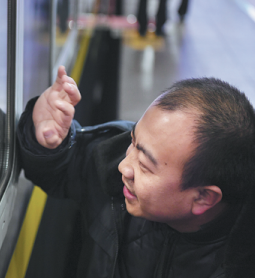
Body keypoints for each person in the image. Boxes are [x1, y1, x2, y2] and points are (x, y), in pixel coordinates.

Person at [17, 66, 255, 277]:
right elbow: (65, 167)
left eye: (144, 166)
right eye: (133, 141)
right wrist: (48, 139)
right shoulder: (113, 162)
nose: (123, 166)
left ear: (204, 197)